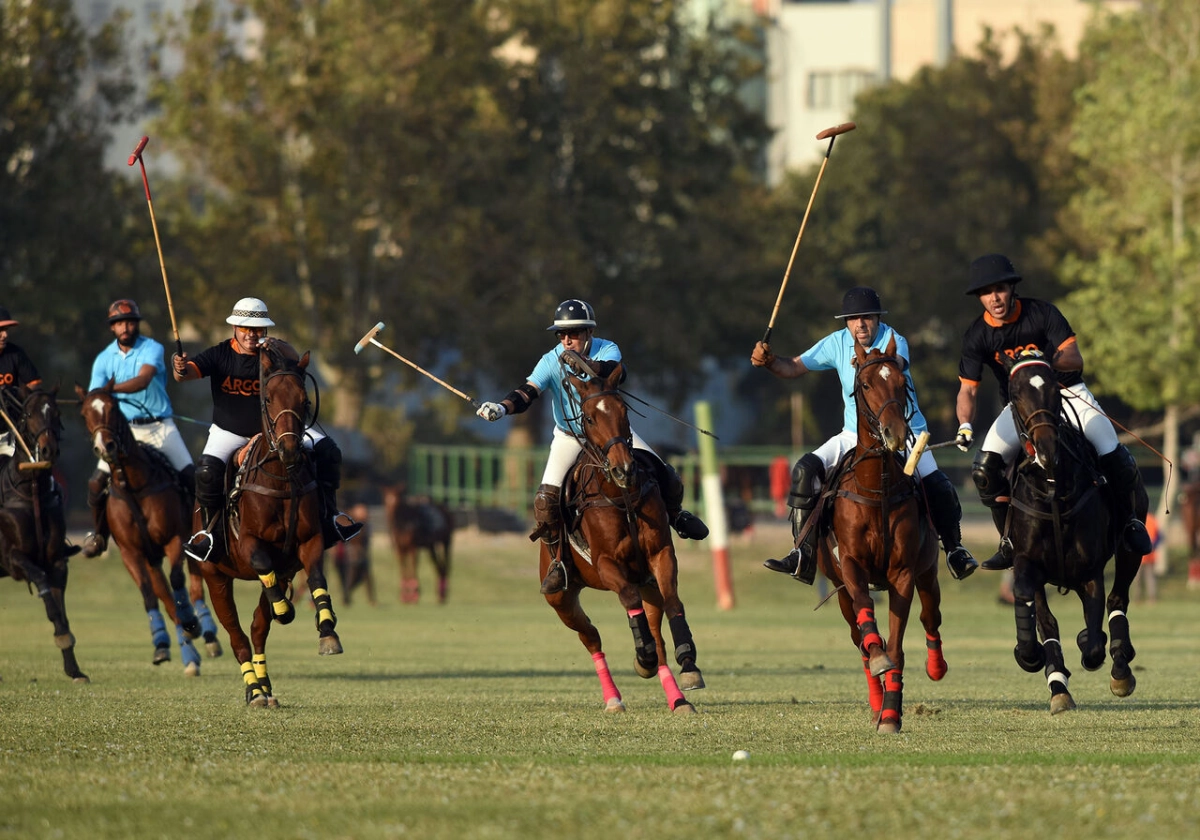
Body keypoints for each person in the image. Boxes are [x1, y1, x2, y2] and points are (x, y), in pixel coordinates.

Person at [476, 298, 709, 594]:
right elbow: (527, 391)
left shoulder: (607, 349)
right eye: (562, 335)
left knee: (665, 474)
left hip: (611, 434)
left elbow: (614, 370)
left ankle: (677, 516)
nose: (566, 340)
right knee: (545, 502)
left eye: (573, 333)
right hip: (571, 437)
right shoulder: (551, 360)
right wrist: (501, 407)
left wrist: (584, 364)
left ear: (589, 333)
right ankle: (559, 563)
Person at [751, 286, 978, 584]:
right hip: (854, 434)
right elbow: (792, 367)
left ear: (877, 319)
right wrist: (769, 361)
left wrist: (865, 363)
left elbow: (892, 367)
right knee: (805, 470)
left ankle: (954, 550)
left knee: (938, 486)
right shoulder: (836, 343)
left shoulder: (894, 340)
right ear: (846, 322)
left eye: (867, 317)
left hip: (905, 433)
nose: (860, 324)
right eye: (853, 318)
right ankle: (802, 554)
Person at [955, 253, 1151, 571]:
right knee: (984, 469)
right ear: (979, 297)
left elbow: (1074, 358)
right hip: (1022, 407)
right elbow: (968, 389)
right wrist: (965, 424)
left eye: (1001, 289)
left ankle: (1129, 525)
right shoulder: (977, 335)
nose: (995, 298)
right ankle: (1008, 541)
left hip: (1068, 392)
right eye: (987, 292)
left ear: (1011, 288)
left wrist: (1044, 363)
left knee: (1113, 454)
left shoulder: (1042, 313)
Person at [171, 297, 362, 560]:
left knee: (329, 450)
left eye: (258, 329)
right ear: (234, 328)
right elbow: (187, 373)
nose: (252, 334)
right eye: (246, 328)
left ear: (266, 331)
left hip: (279, 430)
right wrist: (179, 366)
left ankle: (330, 517)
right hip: (230, 431)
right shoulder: (220, 354)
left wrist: (279, 346)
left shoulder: (275, 354)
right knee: (206, 471)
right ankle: (208, 534)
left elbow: (297, 359)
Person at [80, 300, 197, 558]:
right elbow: (94, 397)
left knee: (192, 478)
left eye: (130, 322)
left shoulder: (152, 348)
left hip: (159, 427)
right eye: (119, 323)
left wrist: (110, 390)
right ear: (112, 328)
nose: (125, 327)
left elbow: (144, 380)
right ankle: (99, 535)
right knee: (95, 484)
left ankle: (202, 532)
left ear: (137, 324)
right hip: (123, 434)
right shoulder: (103, 359)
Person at [0, 305, 43, 460]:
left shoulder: (15, 353)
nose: (4, 335)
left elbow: (34, 384)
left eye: (6, 330)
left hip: (12, 429)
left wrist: (16, 393)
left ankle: (50, 484)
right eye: (0, 331)